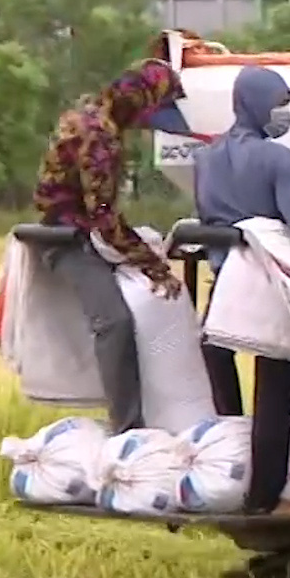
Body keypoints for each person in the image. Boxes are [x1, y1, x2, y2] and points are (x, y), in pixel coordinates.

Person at [194, 66, 290, 516]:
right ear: (258, 104)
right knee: (274, 389)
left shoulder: (205, 158)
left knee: (222, 370)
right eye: (279, 104)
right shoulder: (275, 157)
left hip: (222, 283)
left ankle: (227, 461)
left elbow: (207, 221)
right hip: (267, 280)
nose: (283, 113)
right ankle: (262, 498)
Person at [31, 59, 186, 434]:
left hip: (78, 231)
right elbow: (102, 217)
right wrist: (154, 265)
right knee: (114, 322)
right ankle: (128, 427)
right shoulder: (100, 139)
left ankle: (136, 419)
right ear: (141, 102)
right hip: (67, 239)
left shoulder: (95, 117)